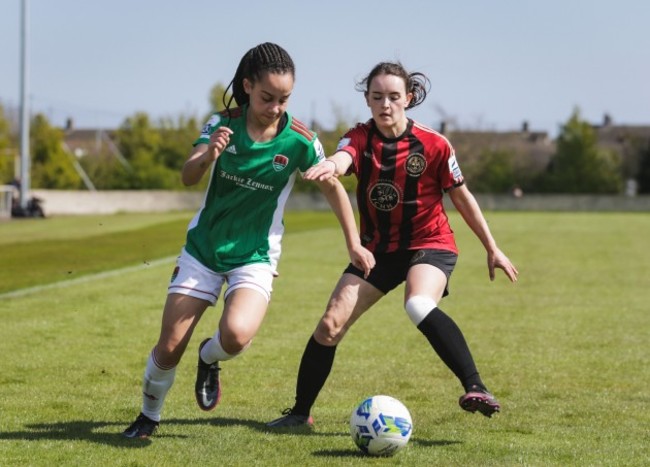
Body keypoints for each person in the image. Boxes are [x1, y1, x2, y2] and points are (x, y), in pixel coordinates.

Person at [122, 42, 374, 439]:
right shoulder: (223, 122)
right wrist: (208, 157)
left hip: (255, 255)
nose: (275, 106)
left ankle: (209, 357)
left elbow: (333, 188)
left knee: (237, 337)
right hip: (204, 250)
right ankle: (148, 416)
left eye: (284, 98)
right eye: (266, 97)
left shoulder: (300, 140)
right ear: (247, 86)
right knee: (169, 347)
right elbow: (188, 175)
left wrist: (354, 243)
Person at [266, 61, 519, 429]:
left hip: (429, 244)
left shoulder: (434, 144)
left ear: (409, 98)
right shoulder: (360, 137)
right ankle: (300, 414)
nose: (385, 104)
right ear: (368, 100)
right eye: (377, 96)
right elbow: (344, 156)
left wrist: (492, 247)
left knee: (417, 303)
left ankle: (476, 387)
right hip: (377, 250)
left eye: (394, 97)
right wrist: (332, 167)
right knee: (329, 325)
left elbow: (462, 198)